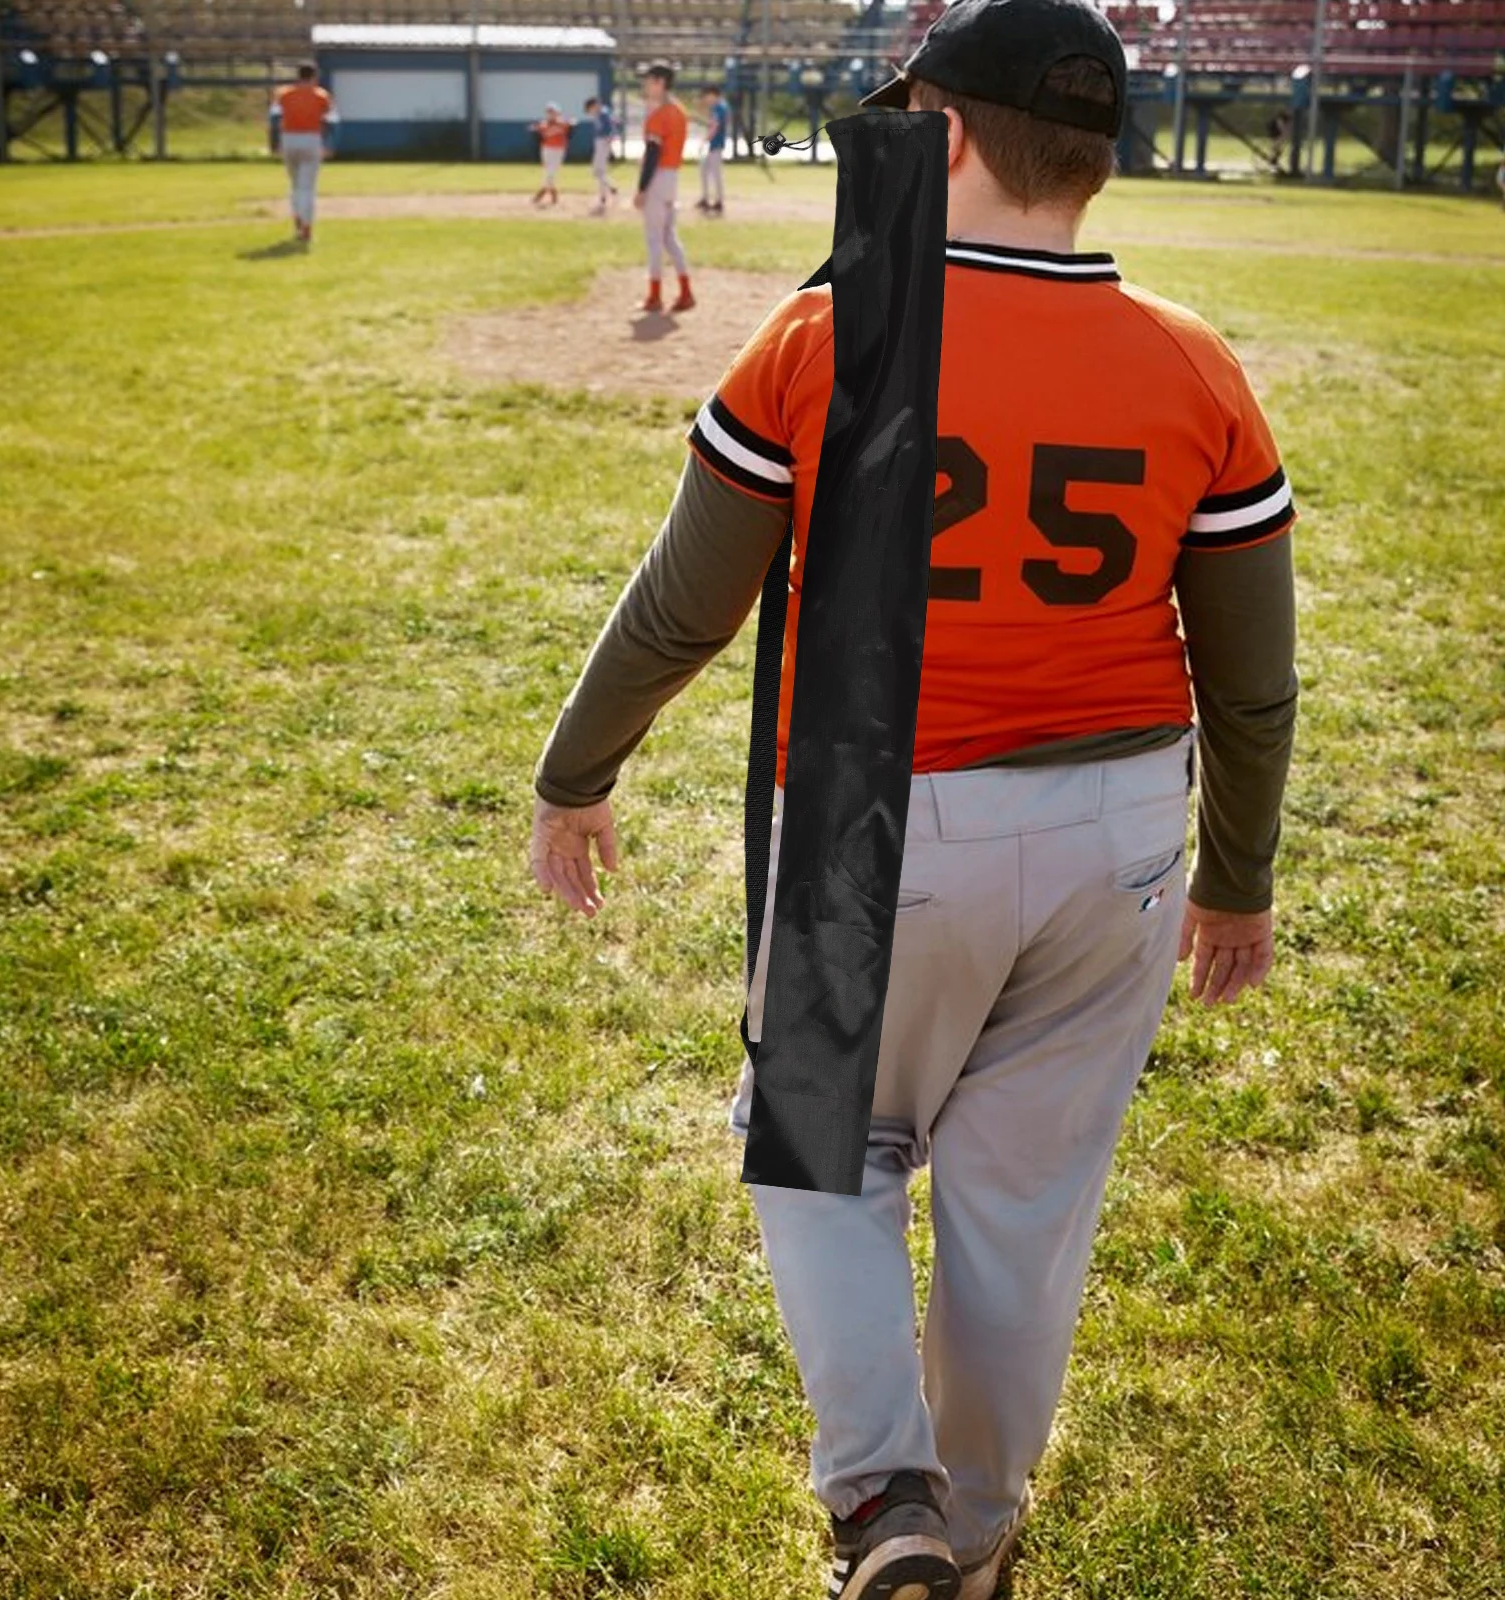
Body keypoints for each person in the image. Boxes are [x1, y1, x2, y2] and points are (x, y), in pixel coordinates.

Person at [529, 0, 1298, 1596]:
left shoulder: (829, 339)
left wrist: (575, 775)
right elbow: (1250, 679)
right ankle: (988, 1539)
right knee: (1023, 1208)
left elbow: (685, 608)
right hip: (1123, 843)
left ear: (939, 137)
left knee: (821, 1149)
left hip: (886, 828)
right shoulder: (1195, 361)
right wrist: (1238, 876)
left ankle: (888, 1507)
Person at [632, 62, 694, 313]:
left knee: (654, 238)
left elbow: (654, 153)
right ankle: (686, 292)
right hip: (672, 177)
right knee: (669, 236)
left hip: (658, 178)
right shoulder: (679, 110)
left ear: (660, 82)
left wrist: (641, 188)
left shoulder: (659, 115)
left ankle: (655, 296)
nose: (646, 84)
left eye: (649, 80)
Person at [268, 62, 338, 246]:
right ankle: (306, 225)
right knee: (307, 187)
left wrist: (274, 143)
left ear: (298, 76)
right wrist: (329, 144)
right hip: (311, 139)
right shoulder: (321, 95)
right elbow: (331, 121)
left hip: (289, 139)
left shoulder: (284, 94)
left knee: (295, 183)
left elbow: (274, 119)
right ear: (314, 76)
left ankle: (297, 218)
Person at [528, 102, 571, 206]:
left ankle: (542, 193)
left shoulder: (563, 123)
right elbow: (534, 130)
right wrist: (535, 128)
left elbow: (570, 126)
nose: (550, 114)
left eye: (552, 112)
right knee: (547, 172)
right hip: (546, 149)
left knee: (551, 173)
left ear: (557, 113)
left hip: (558, 151)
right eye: (548, 112)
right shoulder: (544, 124)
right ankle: (554, 197)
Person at [696, 83, 729, 213]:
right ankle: (706, 198)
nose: (706, 99)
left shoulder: (719, 107)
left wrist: (705, 140)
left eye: (707, 96)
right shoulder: (720, 106)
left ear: (713, 95)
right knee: (705, 171)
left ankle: (718, 201)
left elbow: (715, 126)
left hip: (715, 144)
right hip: (714, 144)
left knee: (715, 174)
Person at [584, 94, 619, 213]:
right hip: (601, 142)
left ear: (595, 105)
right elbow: (615, 121)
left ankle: (611, 186)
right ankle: (603, 197)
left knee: (597, 171)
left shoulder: (603, 113)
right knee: (600, 172)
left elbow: (612, 126)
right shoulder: (602, 113)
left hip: (603, 142)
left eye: (590, 108)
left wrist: (611, 137)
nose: (590, 112)